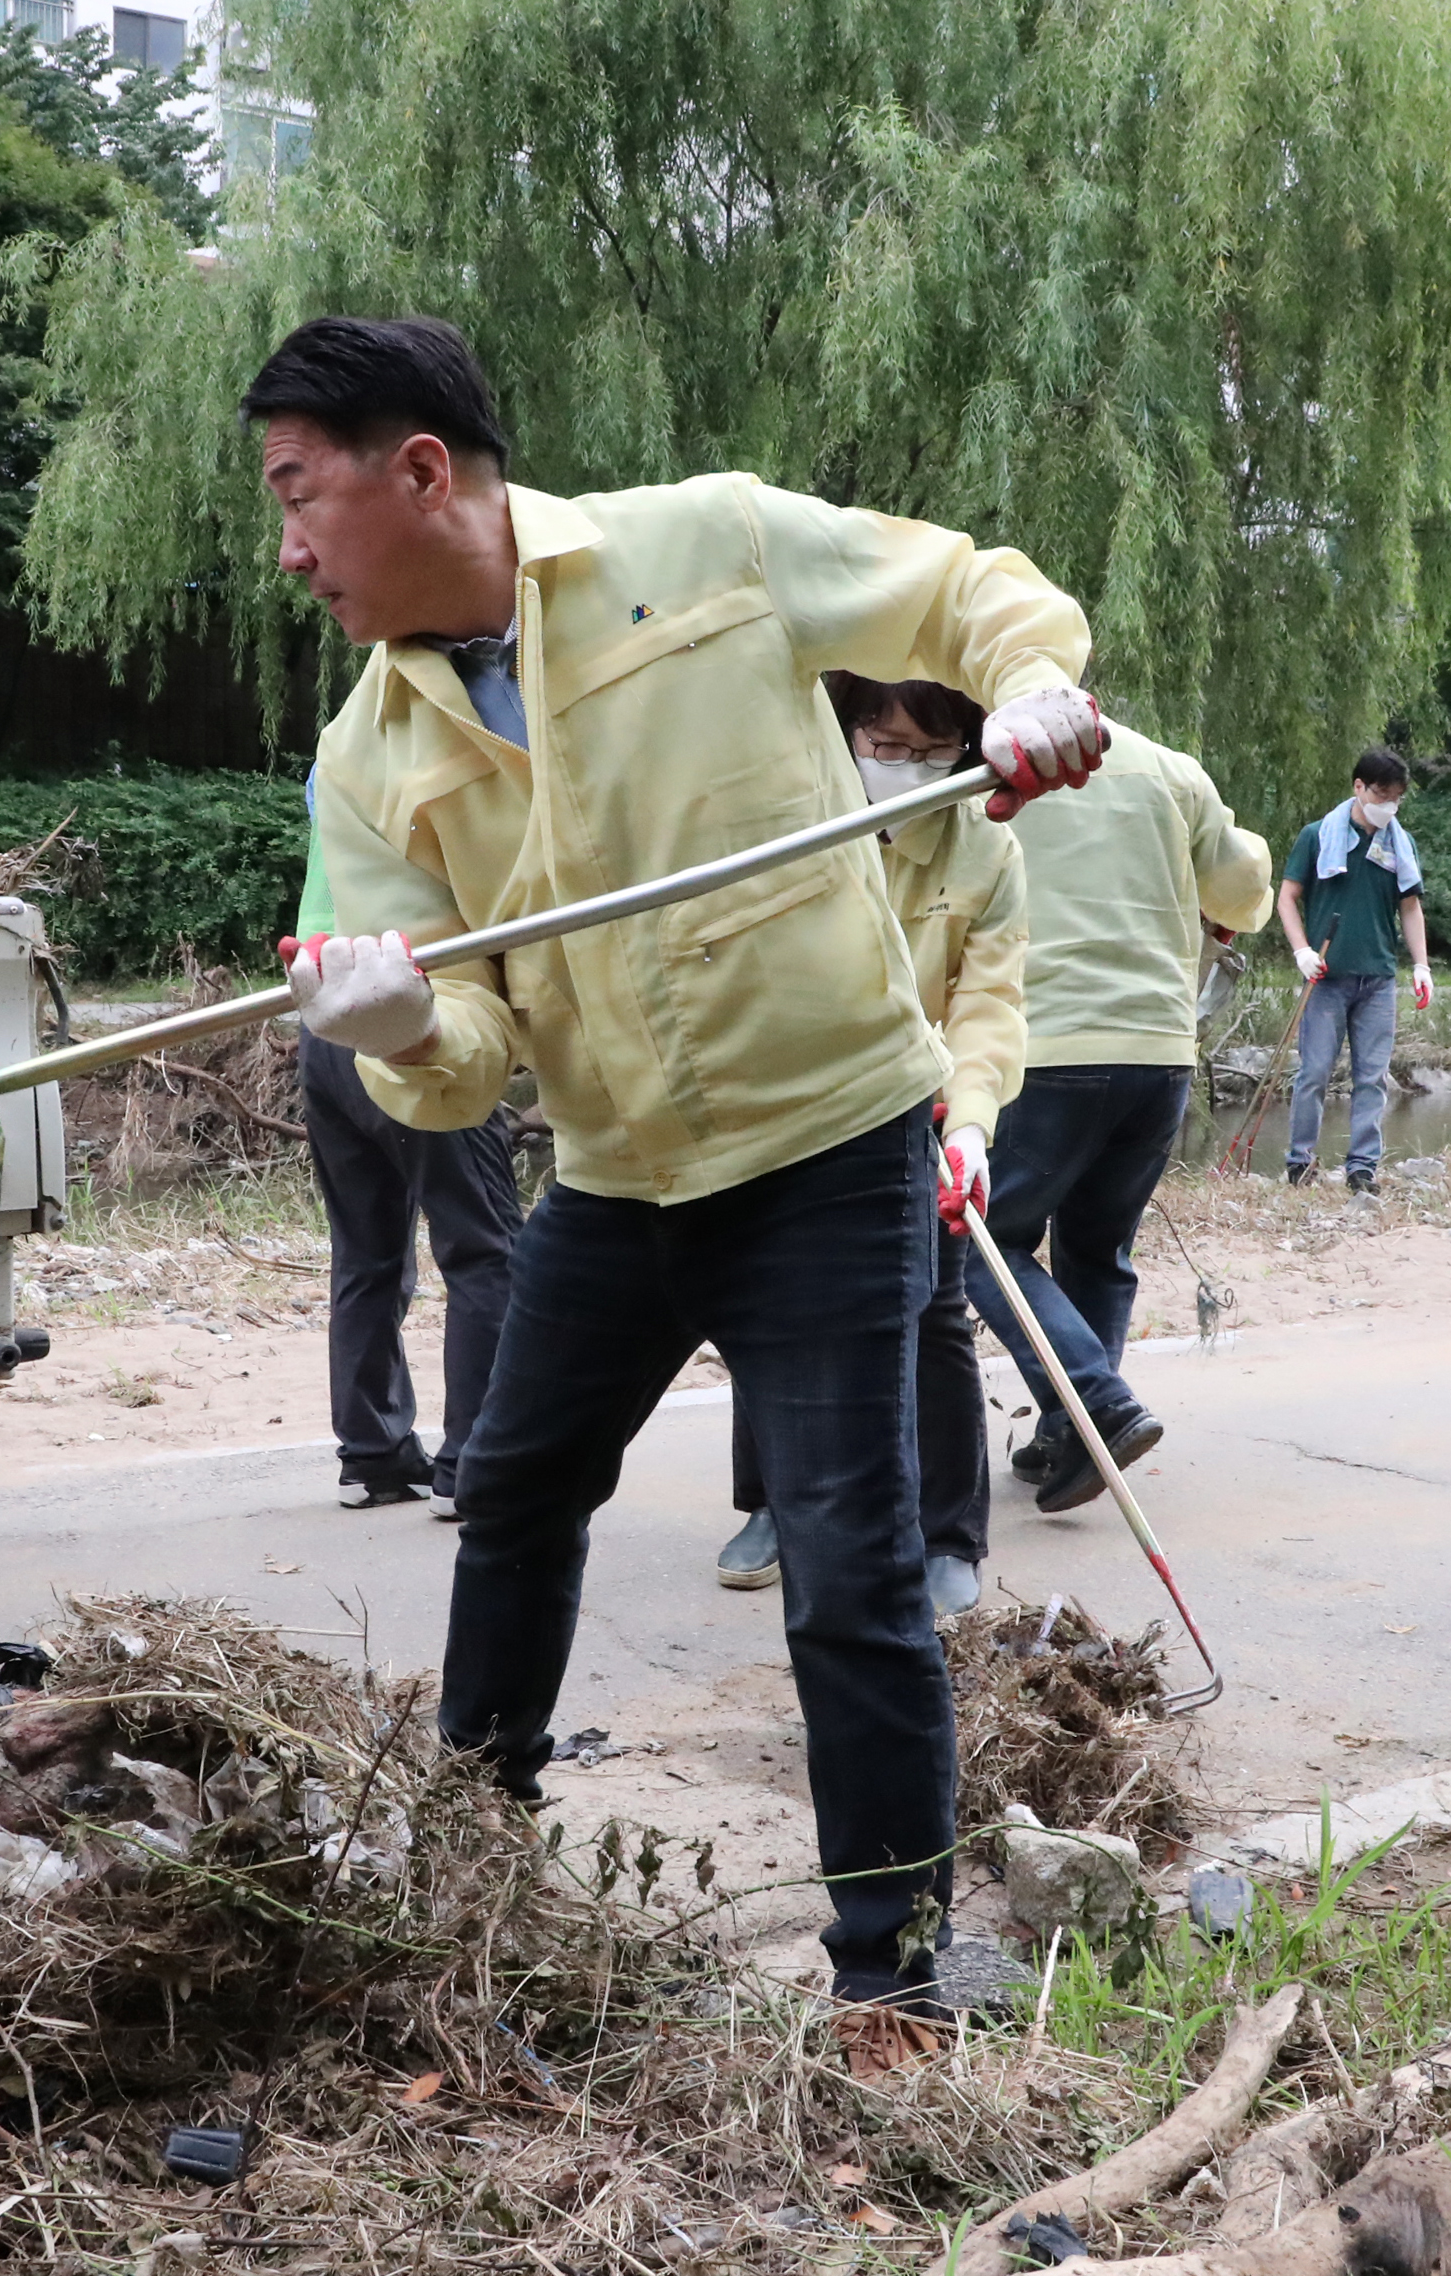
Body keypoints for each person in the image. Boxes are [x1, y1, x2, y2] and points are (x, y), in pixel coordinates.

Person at [249, 313, 1105, 2018]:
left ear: (418, 470)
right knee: (507, 1498)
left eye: (298, 494)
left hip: (829, 1143)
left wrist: (1027, 685)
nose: (287, 548)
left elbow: (961, 588)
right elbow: (476, 1056)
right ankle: (470, 1895)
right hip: (619, 1180)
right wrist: (400, 1024)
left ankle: (891, 1977)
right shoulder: (370, 760)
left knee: (851, 1573)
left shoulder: (700, 546)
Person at [717, 676, 1025, 1621]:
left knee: (933, 1310)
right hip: (795, 1096)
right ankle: (774, 1504)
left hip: (919, 1110)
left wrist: (969, 1122)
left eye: (928, 754)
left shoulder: (983, 847)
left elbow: (988, 1001)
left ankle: (947, 1535)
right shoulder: (795, 819)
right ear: (844, 732)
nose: (901, 768)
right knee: (772, 1305)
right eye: (882, 746)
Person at [971, 721, 1274, 1512]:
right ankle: (1070, 1439)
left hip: (1047, 1045)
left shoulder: (991, 769)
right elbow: (1241, 887)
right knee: (1097, 1249)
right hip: (1159, 1054)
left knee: (977, 1239)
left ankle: (1094, 1405)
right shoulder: (1169, 769)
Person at [291, 772, 523, 1512]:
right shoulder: (439, 757)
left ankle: (374, 1454)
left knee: (365, 1251)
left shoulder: (339, 754)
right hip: (413, 1019)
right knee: (483, 1249)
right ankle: (474, 1462)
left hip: (325, 1023)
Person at [1279, 747, 1430, 1194]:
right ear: (1358, 788)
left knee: (1372, 1077)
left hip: (1378, 978)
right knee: (1314, 1074)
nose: (1389, 806)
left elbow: (1411, 906)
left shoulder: (1400, 842)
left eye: (1396, 798)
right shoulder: (1316, 836)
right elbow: (1286, 897)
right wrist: (1301, 950)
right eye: (1381, 795)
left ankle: (1362, 1167)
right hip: (1326, 979)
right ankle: (1300, 1162)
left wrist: (1421, 965)